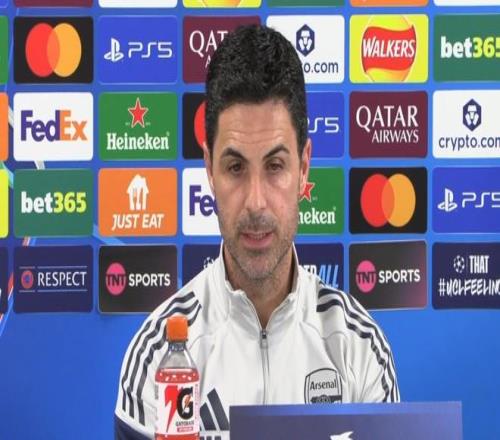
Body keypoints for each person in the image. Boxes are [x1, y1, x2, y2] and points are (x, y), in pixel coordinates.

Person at [115, 24, 399, 440]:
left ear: (304, 168)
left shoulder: (359, 348)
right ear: (209, 169)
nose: (255, 202)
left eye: (275, 166)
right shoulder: (160, 357)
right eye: (235, 167)